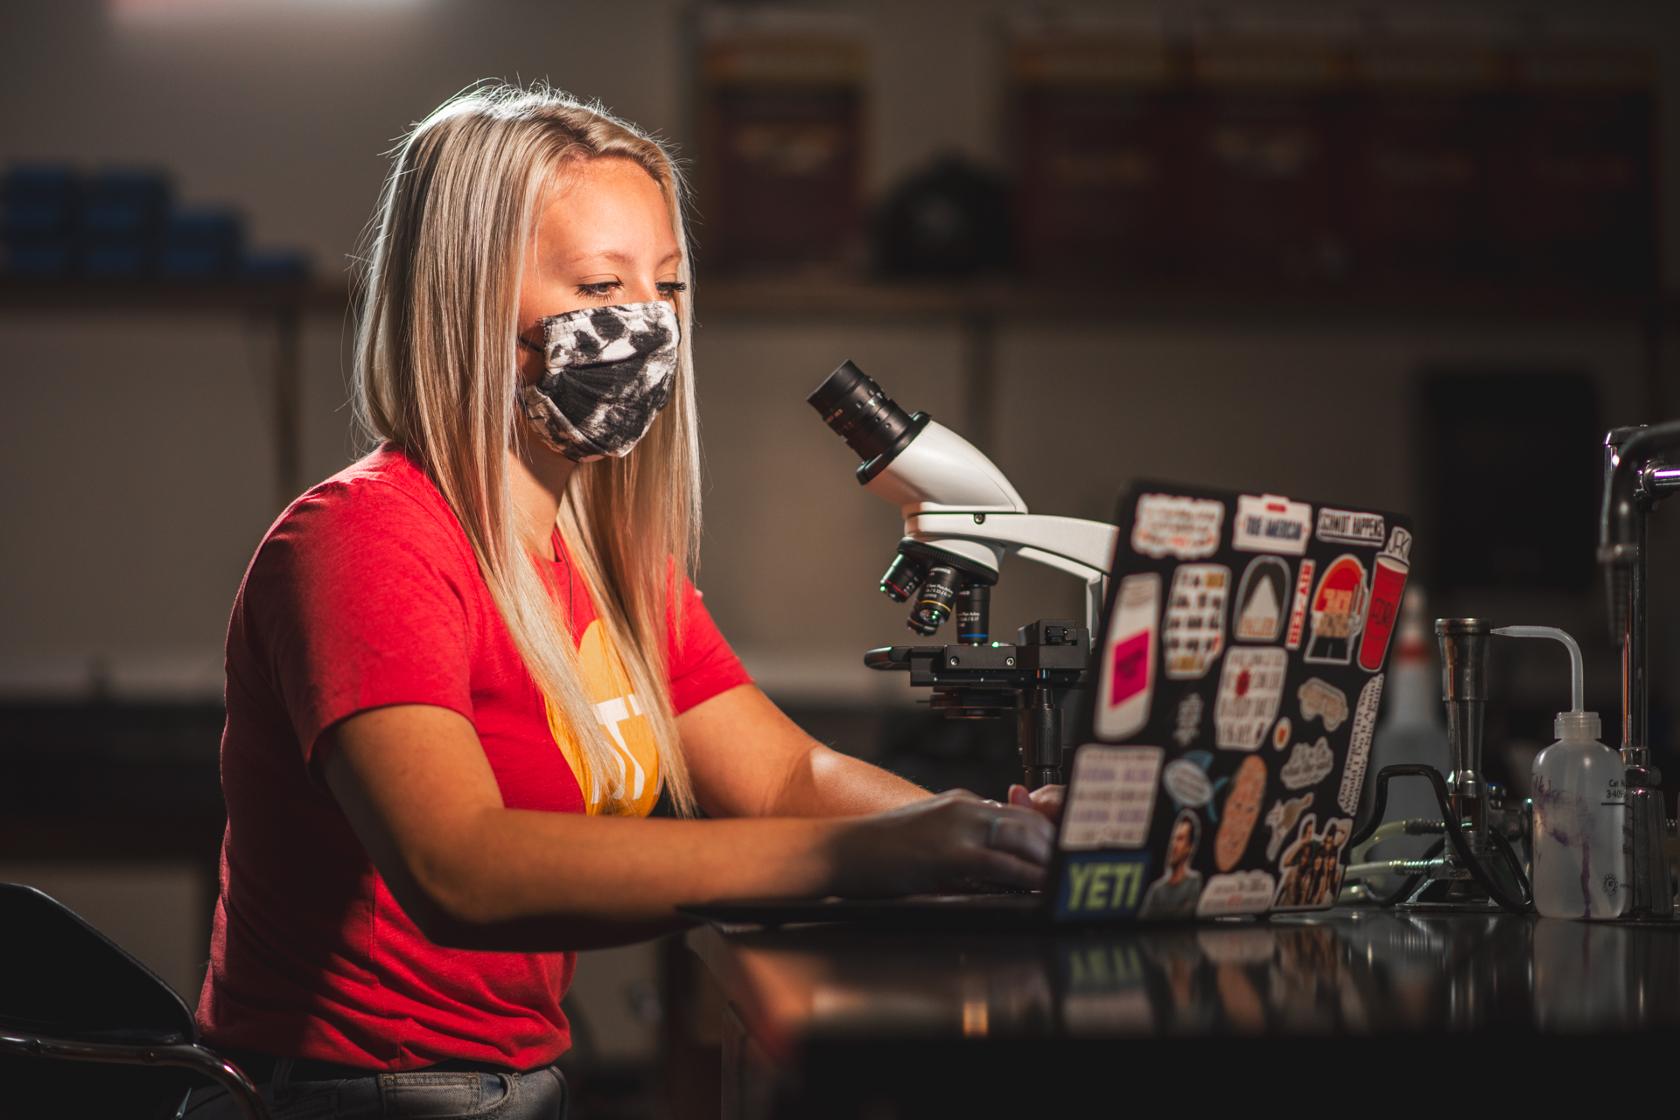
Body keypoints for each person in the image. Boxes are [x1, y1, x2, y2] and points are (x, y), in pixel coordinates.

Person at [184, 82, 1060, 1119]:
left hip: (519, 1087)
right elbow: (458, 866)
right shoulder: (363, 541)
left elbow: (782, 773)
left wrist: (981, 840)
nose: (645, 324)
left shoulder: (602, 555)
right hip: (361, 1097)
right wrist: (860, 857)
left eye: (669, 287)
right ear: (465, 301)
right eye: (601, 285)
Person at [1137, 810, 1205, 919]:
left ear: (1189, 848)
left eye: (1180, 839)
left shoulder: (1194, 882)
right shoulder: (1157, 891)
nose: (1173, 844)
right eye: (1173, 838)